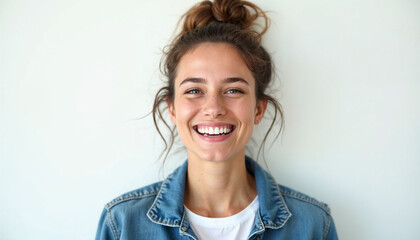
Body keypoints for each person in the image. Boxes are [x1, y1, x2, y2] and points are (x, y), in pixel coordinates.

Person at [95, 0, 338, 239]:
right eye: (194, 90)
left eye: (233, 90)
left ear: (258, 109)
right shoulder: (122, 224)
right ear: (172, 108)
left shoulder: (314, 225)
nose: (213, 108)